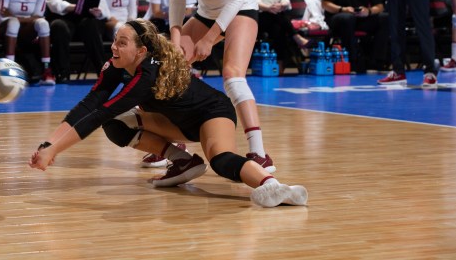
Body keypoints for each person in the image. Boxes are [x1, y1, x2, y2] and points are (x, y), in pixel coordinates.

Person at [28, 19, 308, 208]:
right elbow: (90, 104)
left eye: (122, 43)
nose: (113, 47)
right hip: (175, 123)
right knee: (116, 125)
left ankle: (274, 187)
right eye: (115, 40)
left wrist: (55, 152)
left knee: (222, 161)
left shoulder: (147, 75)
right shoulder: (116, 65)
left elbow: (103, 111)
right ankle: (183, 161)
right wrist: (49, 144)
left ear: (141, 51)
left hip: (211, 113)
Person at [161, 0, 276, 170]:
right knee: (167, 66)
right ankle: (171, 144)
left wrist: (210, 39)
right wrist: (176, 38)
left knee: (232, 76)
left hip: (239, 6)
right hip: (207, 11)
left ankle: (259, 152)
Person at [46, 0, 108, 82]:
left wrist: (98, 12)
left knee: (91, 23)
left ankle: (103, 71)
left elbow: (104, 9)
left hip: (83, 25)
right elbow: (54, 5)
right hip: (65, 23)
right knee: (58, 25)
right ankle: (63, 73)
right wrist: (76, 7)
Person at [0, 0, 55, 85]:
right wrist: (27, 18)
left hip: (27, 31)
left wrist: (16, 16)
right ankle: (9, 69)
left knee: (43, 24)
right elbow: (2, 16)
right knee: (13, 23)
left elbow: (38, 16)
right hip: (5, 29)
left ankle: (47, 70)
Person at [252, 0, 313, 72]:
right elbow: (256, 2)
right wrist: (269, 8)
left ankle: (279, 65)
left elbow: (286, 1)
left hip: (276, 20)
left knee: (279, 28)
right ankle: (296, 37)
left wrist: (280, 5)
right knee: (277, 16)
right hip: (260, 19)